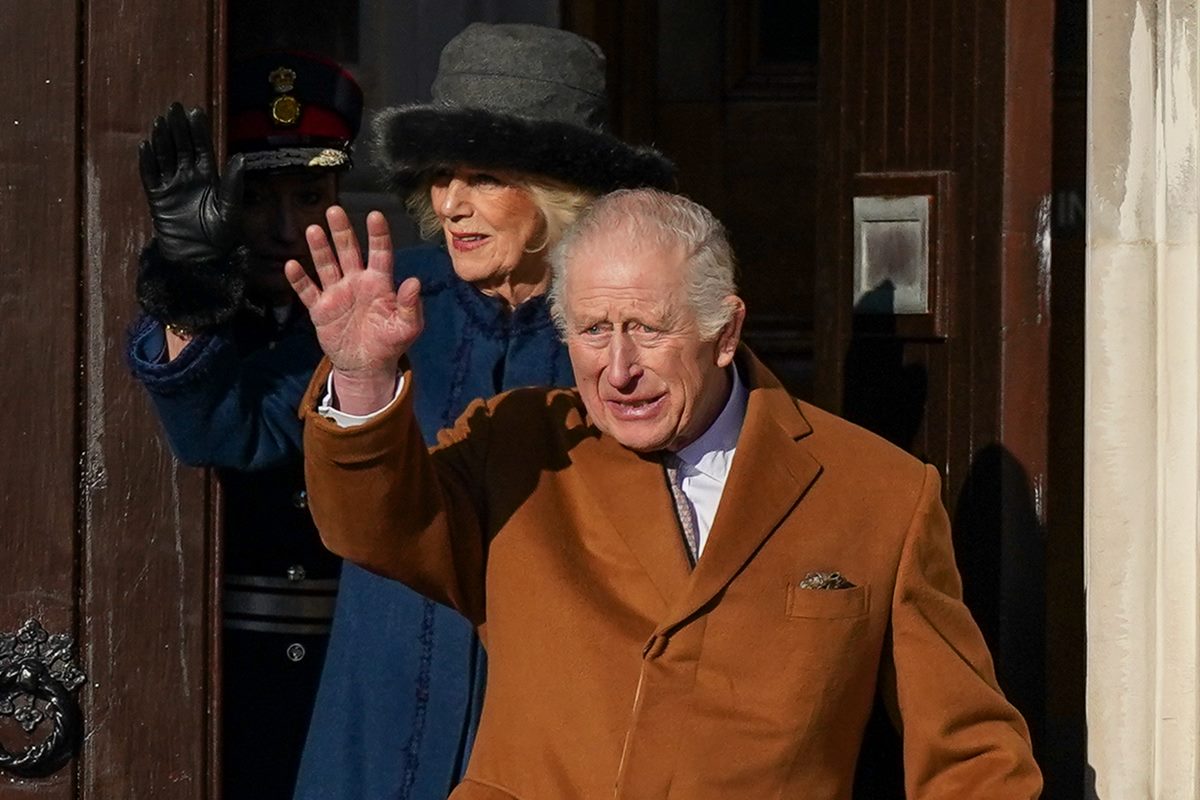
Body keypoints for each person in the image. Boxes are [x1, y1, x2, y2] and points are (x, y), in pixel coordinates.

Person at [288, 188, 1044, 799]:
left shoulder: (877, 492)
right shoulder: (516, 448)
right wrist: (361, 377)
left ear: (725, 330)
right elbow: (375, 526)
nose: (618, 369)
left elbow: (971, 757)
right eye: (591, 331)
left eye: (648, 330)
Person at [128, 25, 675, 800]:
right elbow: (226, 426)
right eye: (439, 174)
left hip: (553, 740)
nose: (450, 202)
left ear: (563, 185)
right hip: (375, 731)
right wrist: (186, 286)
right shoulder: (387, 297)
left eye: (482, 176)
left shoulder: (638, 329)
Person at [127, 50, 363, 799]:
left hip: (350, 674)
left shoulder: (375, 318)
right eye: (257, 197)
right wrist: (192, 282)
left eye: (309, 194)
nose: (284, 226)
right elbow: (212, 429)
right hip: (219, 679)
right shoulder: (202, 326)